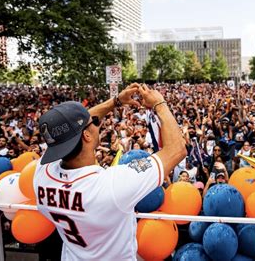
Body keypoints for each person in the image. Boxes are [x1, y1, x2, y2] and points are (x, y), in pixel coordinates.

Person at [33, 83, 187, 260]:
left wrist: (116, 101)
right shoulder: (113, 185)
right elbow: (177, 149)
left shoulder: (42, 174)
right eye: (93, 123)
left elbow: (72, 131)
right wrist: (159, 103)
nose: (95, 120)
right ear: (87, 135)